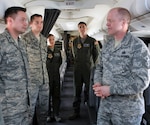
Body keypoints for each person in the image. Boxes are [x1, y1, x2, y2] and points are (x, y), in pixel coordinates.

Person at [93, 7, 150, 125]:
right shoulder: (107, 45)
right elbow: (99, 67)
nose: (107, 24)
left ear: (123, 22)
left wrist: (110, 89)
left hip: (127, 113)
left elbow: (141, 81)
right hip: (105, 108)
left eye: (110, 21)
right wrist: (98, 82)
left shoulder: (138, 46)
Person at [0, 6, 31, 125]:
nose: (26, 23)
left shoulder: (21, 43)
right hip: (8, 109)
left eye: (26, 20)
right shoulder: (1, 43)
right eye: (22, 20)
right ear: (10, 21)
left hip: (24, 104)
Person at [22, 14, 49, 125]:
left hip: (44, 80)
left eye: (41, 22)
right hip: (31, 82)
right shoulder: (24, 39)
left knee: (43, 110)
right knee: (29, 111)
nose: (39, 24)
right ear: (30, 24)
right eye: (36, 22)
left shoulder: (43, 39)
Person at [69, 21, 99, 120]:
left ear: (86, 28)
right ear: (78, 29)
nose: (82, 28)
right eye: (80, 27)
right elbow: (73, 55)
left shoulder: (92, 41)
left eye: (83, 27)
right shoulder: (75, 41)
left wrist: (95, 69)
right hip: (77, 70)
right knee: (76, 91)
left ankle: (89, 111)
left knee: (89, 90)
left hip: (88, 69)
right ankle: (75, 112)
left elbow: (96, 56)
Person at [46, 34, 62, 122]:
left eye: (52, 39)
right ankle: (48, 114)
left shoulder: (57, 50)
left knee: (56, 95)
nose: (51, 41)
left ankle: (56, 114)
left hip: (56, 75)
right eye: (50, 40)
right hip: (47, 76)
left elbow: (60, 61)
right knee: (47, 96)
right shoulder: (44, 51)